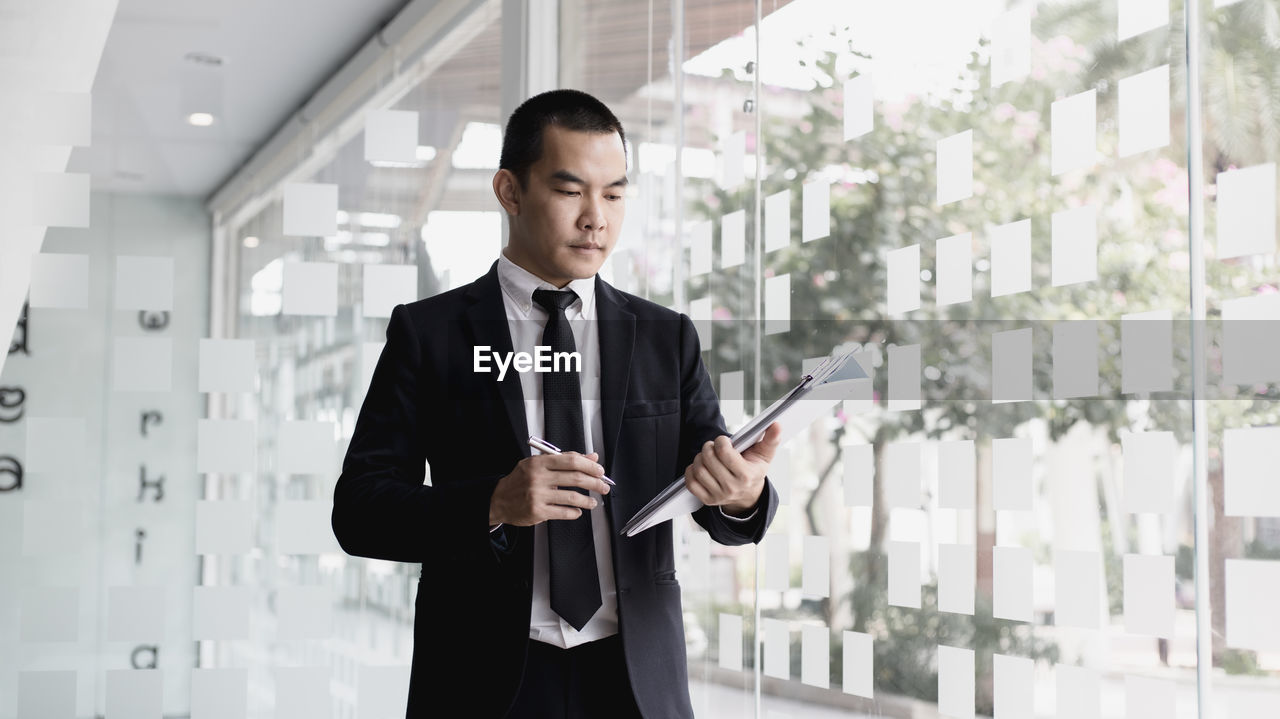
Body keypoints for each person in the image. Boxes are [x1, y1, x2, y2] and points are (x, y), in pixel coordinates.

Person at [332, 88, 782, 718]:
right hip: (483, 682)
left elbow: (714, 486)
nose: (596, 217)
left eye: (615, 194)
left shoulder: (665, 335)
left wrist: (741, 492)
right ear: (510, 192)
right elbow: (359, 512)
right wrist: (492, 503)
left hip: (635, 681)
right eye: (571, 191)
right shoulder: (429, 334)